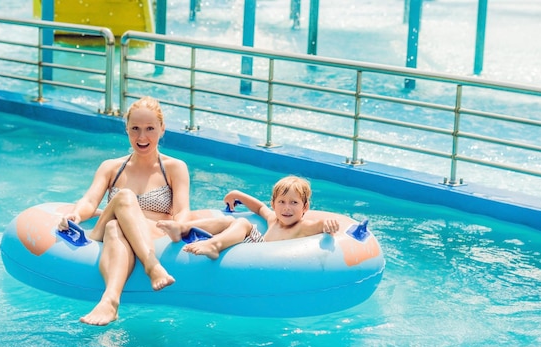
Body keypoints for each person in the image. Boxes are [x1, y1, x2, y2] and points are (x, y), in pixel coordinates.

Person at [58, 96, 195, 326]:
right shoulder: (111, 167)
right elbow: (90, 200)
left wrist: (179, 225)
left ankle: (110, 301)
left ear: (162, 129)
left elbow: (182, 210)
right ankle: (151, 266)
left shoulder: (175, 168)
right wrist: (76, 216)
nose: (142, 137)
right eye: (135, 129)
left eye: (150, 128)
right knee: (124, 196)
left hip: (152, 233)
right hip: (102, 235)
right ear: (127, 130)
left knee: (115, 226)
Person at [158, 175, 340, 259]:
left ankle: (214, 245)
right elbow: (259, 207)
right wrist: (238, 194)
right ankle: (182, 228)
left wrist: (328, 224)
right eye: (282, 202)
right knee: (228, 221)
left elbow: (319, 225)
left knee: (243, 223)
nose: (287, 208)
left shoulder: (301, 227)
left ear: (305, 207)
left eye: (294, 203)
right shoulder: (273, 220)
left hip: (259, 256)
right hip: (249, 249)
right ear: (274, 204)